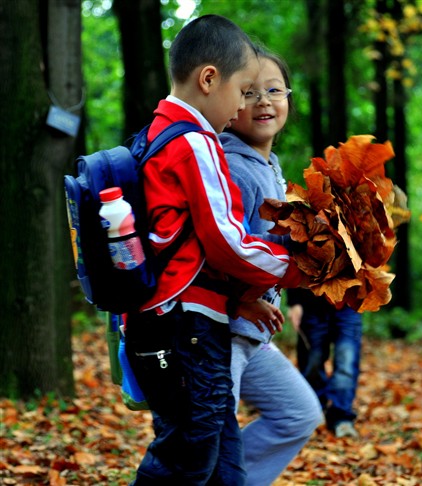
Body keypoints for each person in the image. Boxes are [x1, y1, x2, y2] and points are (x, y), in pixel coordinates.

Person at [123, 15, 306, 485]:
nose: (245, 104)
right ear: (209, 80)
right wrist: (296, 268)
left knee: (218, 457)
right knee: (189, 453)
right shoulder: (195, 142)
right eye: (243, 91)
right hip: (187, 323)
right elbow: (225, 241)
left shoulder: (158, 133)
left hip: (180, 320)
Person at [219, 46, 323, 486]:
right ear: (226, 104)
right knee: (200, 443)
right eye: (249, 91)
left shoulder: (268, 166)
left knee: (298, 413)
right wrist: (242, 300)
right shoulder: (233, 169)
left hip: (250, 335)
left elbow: (273, 244)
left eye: (274, 90)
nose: (263, 101)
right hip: (219, 331)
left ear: (288, 99)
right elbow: (219, 247)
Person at [287, 289, 363, 439]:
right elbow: (296, 265)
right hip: (311, 299)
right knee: (311, 361)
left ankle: (341, 416)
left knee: (347, 360)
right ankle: (314, 413)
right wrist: (294, 302)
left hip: (349, 301)